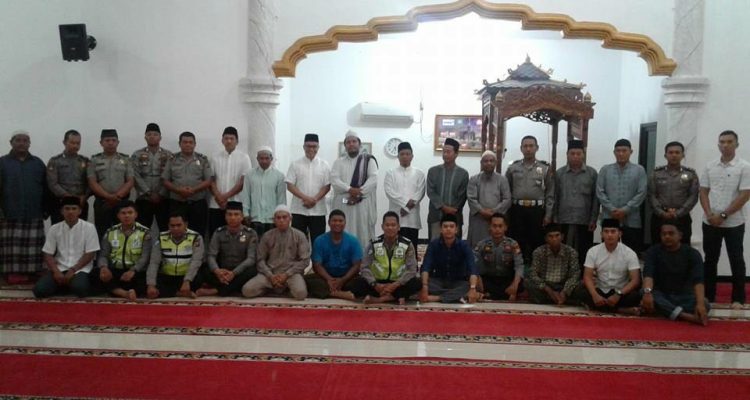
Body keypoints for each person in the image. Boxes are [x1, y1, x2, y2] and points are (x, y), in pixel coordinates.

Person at [699, 130, 750, 309]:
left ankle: (738, 299)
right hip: (710, 221)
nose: (725, 145)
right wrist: (709, 213)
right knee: (710, 259)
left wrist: (723, 215)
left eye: (729, 142)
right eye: (722, 142)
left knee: (736, 259)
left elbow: (745, 195)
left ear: (737, 144)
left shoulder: (744, 167)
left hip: (734, 222)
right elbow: (703, 191)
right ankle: (709, 296)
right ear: (718, 144)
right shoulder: (710, 166)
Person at [0, 131, 48, 282]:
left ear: (29, 143)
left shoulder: (38, 163)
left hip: (34, 211)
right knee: (12, 246)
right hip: (9, 212)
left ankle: (33, 272)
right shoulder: (2, 162)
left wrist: (45, 209)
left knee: (34, 246)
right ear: (11, 142)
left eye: (25, 140)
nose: (22, 143)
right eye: (18, 140)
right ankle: (12, 273)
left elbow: (46, 187)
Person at [641, 223, 709, 325]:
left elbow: (698, 280)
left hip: (684, 296)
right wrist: (647, 293)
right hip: (662, 294)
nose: (667, 237)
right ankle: (686, 316)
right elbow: (648, 275)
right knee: (644, 293)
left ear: (680, 235)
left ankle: (667, 311)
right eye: (664, 234)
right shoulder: (653, 252)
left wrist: (700, 304)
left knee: (705, 303)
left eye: (671, 233)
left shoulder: (692, 254)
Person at [348, 211, 422, 304]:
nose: (390, 228)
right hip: (378, 282)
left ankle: (381, 298)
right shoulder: (373, 243)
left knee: (417, 283)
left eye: (393, 225)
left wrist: (395, 284)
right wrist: (375, 284)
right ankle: (395, 296)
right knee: (356, 283)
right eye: (387, 225)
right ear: (382, 227)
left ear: (398, 227)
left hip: (398, 283)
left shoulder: (407, 244)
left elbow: (412, 269)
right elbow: (364, 267)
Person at [33, 197, 99, 298]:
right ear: (62, 211)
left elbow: (90, 253)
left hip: (80, 269)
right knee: (39, 291)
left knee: (80, 289)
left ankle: (65, 285)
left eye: (74, 209)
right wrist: (56, 271)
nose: (70, 212)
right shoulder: (54, 228)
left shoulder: (89, 228)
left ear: (80, 211)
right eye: (67, 209)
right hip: (60, 267)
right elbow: (47, 253)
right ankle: (64, 284)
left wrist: (73, 270)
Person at [242, 205, 310, 300]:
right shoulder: (267, 236)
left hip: (291, 274)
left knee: (301, 294)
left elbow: (305, 260)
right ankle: (271, 289)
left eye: (284, 217)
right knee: (247, 291)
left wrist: (286, 274)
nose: (281, 220)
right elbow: (260, 259)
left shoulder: (299, 235)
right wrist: (270, 276)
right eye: (278, 218)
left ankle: (282, 288)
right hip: (270, 273)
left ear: (290, 219)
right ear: (274, 220)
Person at [505, 135, 554, 264]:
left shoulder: (545, 168)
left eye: (531, 146)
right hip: (517, 210)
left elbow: (550, 193)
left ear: (537, 148)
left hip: (536, 211)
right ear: (521, 148)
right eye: (525, 146)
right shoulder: (513, 168)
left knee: (536, 241)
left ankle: (536, 270)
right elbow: (506, 190)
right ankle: (517, 270)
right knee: (517, 241)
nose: (528, 149)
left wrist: (548, 214)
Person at [596, 138, 647, 253]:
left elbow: (642, 193)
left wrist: (625, 210)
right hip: (609, 216)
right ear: (614, 152)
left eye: (624, 150)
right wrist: (612, 209)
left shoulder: (639, 170)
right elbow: (600, 192)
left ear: (631, 152)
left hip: (632, 218)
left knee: (631, 252)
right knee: (607, 251)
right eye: (618, 151)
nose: (621, 153)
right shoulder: (605, 170)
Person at [197, 201, 258, 297]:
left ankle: (217, 290)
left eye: (236, 214)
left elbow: (251, 259)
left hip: (240, 271)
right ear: (225, 216)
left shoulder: (250, 233)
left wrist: (234, 273)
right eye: (229, 214)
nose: (232, 217)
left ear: (242, 217)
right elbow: (211, 255)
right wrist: (217, 271)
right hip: (222, 270)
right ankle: (230, 287)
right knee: (204, 268)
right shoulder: (219, 232)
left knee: (253, 271)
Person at [331, 131, 379, 251]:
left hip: (362, 202)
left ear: (359, 143)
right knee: (344, 228)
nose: (351, 144)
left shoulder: (369, 160)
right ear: (345, 145)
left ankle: (363, 257)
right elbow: (334, 180)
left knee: (362, 230)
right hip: (344, 201)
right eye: (348, 142)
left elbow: (373, 179)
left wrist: (359, 193)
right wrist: (349, 189)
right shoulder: (338, 162)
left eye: (354, 141)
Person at [553, 139, 599, 266]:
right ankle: (564, 274)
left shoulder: (592, 173)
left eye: (578, 154)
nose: (575, 156)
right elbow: (555, 197)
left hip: (584, 220)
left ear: (583, 154)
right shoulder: (560, 174)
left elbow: (596, 198)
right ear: (567, 155)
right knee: (563, 251)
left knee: (584, 252)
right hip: (563, 220)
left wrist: (593, 219)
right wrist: (555, 218)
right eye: (572, 153)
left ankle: (583, 275)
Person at [582, 218, 642, 315]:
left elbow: (635, 280)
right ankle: (621, 310)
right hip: (600, 290)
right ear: (601, 234)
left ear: (620, 234)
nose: (609, 235)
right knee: (581, 292)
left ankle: (601, 308)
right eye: (606, 232)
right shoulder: (593, 251)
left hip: (621, 291)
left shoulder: (629, 253)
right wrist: (595, 295)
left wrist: (618, 294)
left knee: (636, 295)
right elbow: (587, 277)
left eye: (613, 231)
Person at [96, 200, 152, 301]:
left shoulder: (145, 232)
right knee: (96, 274)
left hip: (135, 271)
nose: (127, 216)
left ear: (136, 214)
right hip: (116, 269)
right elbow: (103, 254)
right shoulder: (110, 232)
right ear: (118, 215)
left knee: (147, 281)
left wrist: (133, 270)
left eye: (130, 212)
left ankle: (117, 291)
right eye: (123, 213)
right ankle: (124, 293)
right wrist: (104, 267)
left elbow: (145, 257)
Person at [419, 214, 480, 303]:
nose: (448, 229)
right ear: (441, 229)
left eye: (451, 226)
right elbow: (426, 267)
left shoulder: (464, 245)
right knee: (420, 283)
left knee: (469, 286)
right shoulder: (434, 244)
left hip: (458, 282)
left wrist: (473, 288)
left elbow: (473, 269)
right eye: (445, 226)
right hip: (439, 281)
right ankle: (457, 296)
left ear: (456, 229)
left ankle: (437, 298)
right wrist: (424, 286)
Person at [162, 132, 213, 237]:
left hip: (197, 203)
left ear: (195, 144)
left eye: (190, 142)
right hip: (177, 203)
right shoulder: (172, 159)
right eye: (185, 142)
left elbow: (208, 180)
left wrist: (193, 190)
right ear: (179, 144)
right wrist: (179, 190)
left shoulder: (202, 159)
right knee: (176, 233)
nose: (188, 144)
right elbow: (165, 180)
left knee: (198, 233)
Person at [648, 141, 699, 245]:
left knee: (683, 248)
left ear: (683, 155)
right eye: (670, 152)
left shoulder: (690, 174)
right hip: (660, 217)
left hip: (682, 217)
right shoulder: (656, 173)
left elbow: (693, 196)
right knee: (658, 248)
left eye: (677, 152)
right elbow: (651, 195)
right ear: (665, 155)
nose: (674, 155)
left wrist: (678, 213)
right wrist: (662, 213)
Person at [304, 209, 362, 299]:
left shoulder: (353, 241)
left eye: (340, 221)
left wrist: (342, 280)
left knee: (362, 282)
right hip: (325, 277)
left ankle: (330, 292)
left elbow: (357, 265)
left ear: (345, 223)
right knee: (305, 281)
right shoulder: (319, 240)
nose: (337, 223)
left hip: (346, 277)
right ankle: (338, 294)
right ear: (329, 222)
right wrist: (329, 279)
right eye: (334, 221)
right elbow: (317, 265)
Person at [87, 129, 135, 239]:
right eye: (107, 140)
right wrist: (108, 196)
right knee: (102, 233)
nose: (110, 143)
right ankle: (102, 251)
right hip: (102, 203)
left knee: (124, 233)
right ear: (101, 143)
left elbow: (130, 181)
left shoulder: (126, 159)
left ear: (118, 142)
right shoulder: (94, 160)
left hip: (122, 202)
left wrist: (117, 196)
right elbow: (92, 182)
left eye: (113, 140)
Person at [146, 213, 204, 298]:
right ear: (168, 226)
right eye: (172, 226)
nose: (175, 228)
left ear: (186, 225)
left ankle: (174, 292)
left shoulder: (196, 237)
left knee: (200, 275)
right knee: (148, 283)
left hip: (187, 276)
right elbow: (154, 262)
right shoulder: (161, 238)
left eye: (179, 225)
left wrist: (187, 280)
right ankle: (180, 293)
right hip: (168, 276)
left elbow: (196, 261)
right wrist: (151, 285)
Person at [286, 133, 330, 245]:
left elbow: (327, 186)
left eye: (314, 146)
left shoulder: (324, 165)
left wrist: (314, 199)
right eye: (308, 146)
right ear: (304, 147)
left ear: (318, 147)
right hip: (298, 210)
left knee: (318, 243)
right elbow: (290, 185)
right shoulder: (295, 164)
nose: (311, 149)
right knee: (297, 243)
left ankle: (316, 258)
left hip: (318, 211)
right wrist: (306, 198)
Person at [208, 126, 251, 238]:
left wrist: (225, 197)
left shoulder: (244, 158)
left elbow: (243, 181)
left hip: (236, 202)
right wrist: (218, 197)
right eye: (226, 138)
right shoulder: (214, 157)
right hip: (216, 203)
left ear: (237, 141)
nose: (229, 141)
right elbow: (211, 179)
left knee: (236, 236)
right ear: (222, 140)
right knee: (216, 234)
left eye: (232, 138)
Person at [527, 224, 584, 305]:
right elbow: (533, 274)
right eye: (550, 236)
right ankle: (561, 299)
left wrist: (565, 291)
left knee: (581, 284)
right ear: (546, 238)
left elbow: (575, 274)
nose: (554, 239)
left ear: (562, 237)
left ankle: (552, 299)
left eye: (557, 235)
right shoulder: (538, 252)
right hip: (545, 286)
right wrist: (549, 291)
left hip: (564, 285)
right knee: (527, 282)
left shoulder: (571, 252)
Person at [131, 123, 173, 232]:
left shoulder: (169, 155)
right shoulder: (137, 154)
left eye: (155, 134)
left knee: (166, 230)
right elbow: (135, 175)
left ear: (160, 137)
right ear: (145, 137)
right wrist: (148, 193)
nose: (152, 137)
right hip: (144, 198)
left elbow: (171, 176)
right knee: (141, 230)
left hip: (163, 198)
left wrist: (161, 194)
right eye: (149, 134)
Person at [383, 141, 425, 247]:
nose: (405, 156)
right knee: (395, 248)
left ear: (412, 156)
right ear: (398, 156)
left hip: (413, 218)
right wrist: (406, 203)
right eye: (402, 154)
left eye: (407, 154)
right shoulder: (390, 173)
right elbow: (389, 192)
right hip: (396, 216)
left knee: (412, 247)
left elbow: (420, 192)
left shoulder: (419, 173)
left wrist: (407, 208)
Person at [473, 213, 524, 300]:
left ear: (505, 227)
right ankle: (499, 294)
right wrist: (478, 277)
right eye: (494, 226)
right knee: (472, 280)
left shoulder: (513, 244)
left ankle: (489, 295)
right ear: (489, 227)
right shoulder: (482, 244)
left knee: (521, 283)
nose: (497, 229)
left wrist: (515, 284)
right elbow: (473, 262)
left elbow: (519, 265)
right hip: (489, 279)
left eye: (500, 226)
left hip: (506, 279)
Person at [426, 138, 469, 240]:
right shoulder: (433, 171)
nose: (445, 154)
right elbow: (431, 192)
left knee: (454, 245)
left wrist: (453, 209)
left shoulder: (463, 174)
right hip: (436, 216)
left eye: (448, 152)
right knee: (435, 244)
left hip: (454, 216)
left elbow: (463, 195)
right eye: (444, 151)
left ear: (456, 154)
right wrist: (443, 207)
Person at [467, 150, 511, 247]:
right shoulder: (474, 179)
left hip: (497, 219)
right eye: (486, 161)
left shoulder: (502, 180)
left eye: (491, 161)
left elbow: (507, 199)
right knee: (477, 245)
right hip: (479, 218)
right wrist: (482, 211)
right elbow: (471, 198)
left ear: (496, 162)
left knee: (497, 245)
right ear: (481, 163)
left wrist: (494, 212)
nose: (489, 163)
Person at [47, 129, 90, 223]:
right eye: (72, 143)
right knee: (59, 230)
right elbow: (52, 183)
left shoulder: (85, 161)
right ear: (64, 142)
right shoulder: (55, 161)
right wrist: (68, 197)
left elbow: (90, 182)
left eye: (78, 143)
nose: (75, 146)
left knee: (81, 230)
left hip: (80, 203)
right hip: (60, 203)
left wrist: (84, 196)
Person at [244, 146, 286, 237]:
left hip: (272, 219)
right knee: (255, 243)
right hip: (254, 218)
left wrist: (280, 216)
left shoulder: (279, 176)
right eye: (261, 158)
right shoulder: (249, 175)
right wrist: (245, 213)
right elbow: (246, 195)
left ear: (271, 159)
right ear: (257, 159)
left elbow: (281, 199)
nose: (264, 161)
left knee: (272, 244)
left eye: (267, 158)